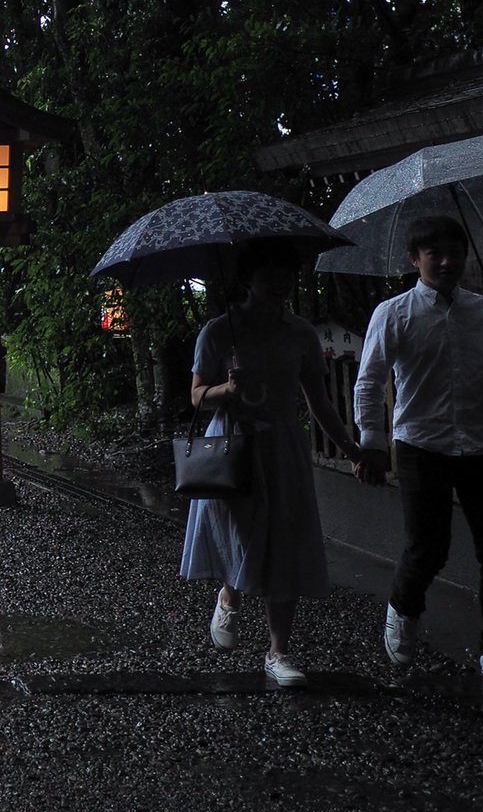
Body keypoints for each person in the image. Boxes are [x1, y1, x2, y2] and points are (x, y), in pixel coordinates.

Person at [353, 214, 483, 691]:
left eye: (456, 252)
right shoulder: (394, 313)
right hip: (421, 443)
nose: (448, 262)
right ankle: (403, 607)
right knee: (427, 548)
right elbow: (369, 380)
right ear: (415, 260)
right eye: (436, 254)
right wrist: (371, 442)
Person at [180, 241, 364, 688]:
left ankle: (278, 652)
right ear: (248, 278)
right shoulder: (219, 332)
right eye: (270, 273)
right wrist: (225, 390)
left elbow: (317, 401)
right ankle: (229, 592)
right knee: (241, 535)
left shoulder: (301, 333)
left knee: (285, 540)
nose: (281, 283)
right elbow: (195, 395)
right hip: (232, 445)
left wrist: (352, 449)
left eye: (287, 274)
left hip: (282, 446)